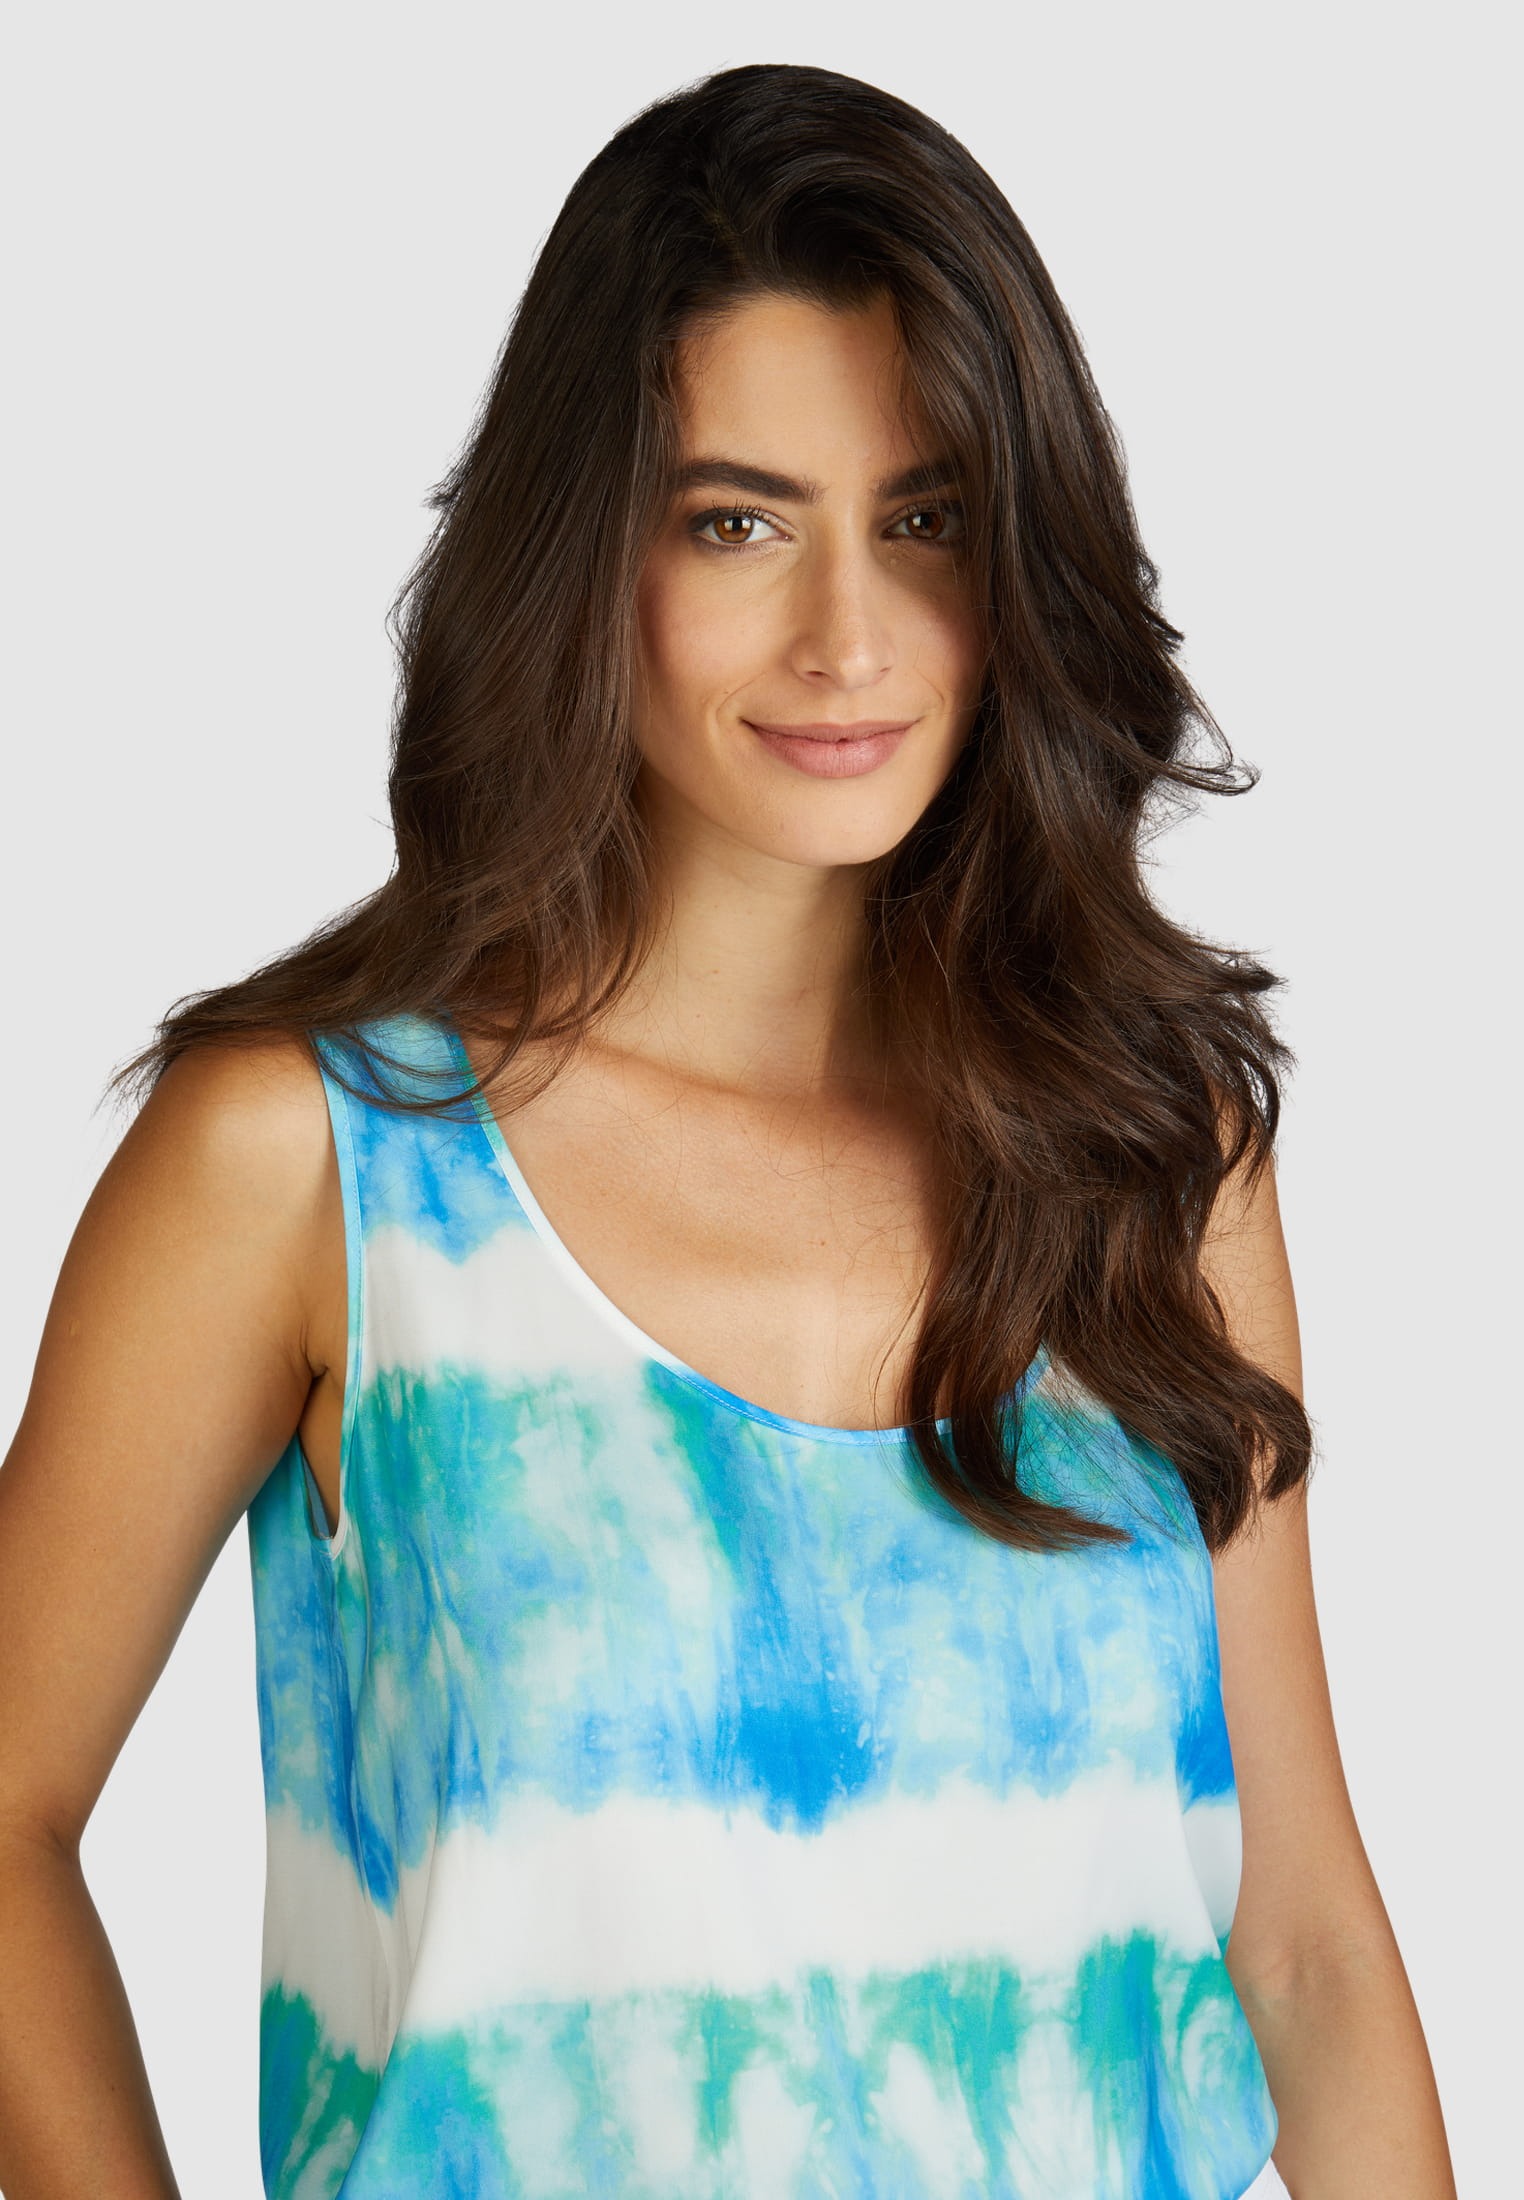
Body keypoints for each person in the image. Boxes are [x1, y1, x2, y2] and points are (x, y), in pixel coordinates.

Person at [0, 60, 1455, 2200]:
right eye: (737, 521)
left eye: (926, 521)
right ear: (584, 549)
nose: (849, 638)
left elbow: (1303, 1942)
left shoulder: (1150, 1153)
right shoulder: (317, 1157)